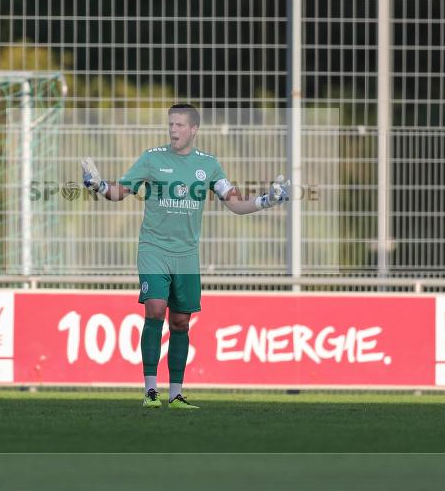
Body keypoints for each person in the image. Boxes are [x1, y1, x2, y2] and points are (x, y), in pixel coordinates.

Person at [81, 103, 289, 409]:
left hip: (187, 256)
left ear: (194, 129)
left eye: (180, 125)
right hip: (153, 249)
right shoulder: (152, 159)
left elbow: (235, 204)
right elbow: (120, 193)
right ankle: (150, 391)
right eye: (171, 124)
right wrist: (98, 185)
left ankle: (175, 393)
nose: (173, 130)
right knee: (155, 309)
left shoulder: (209, 165)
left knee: (180, 322)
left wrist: (265, 200)